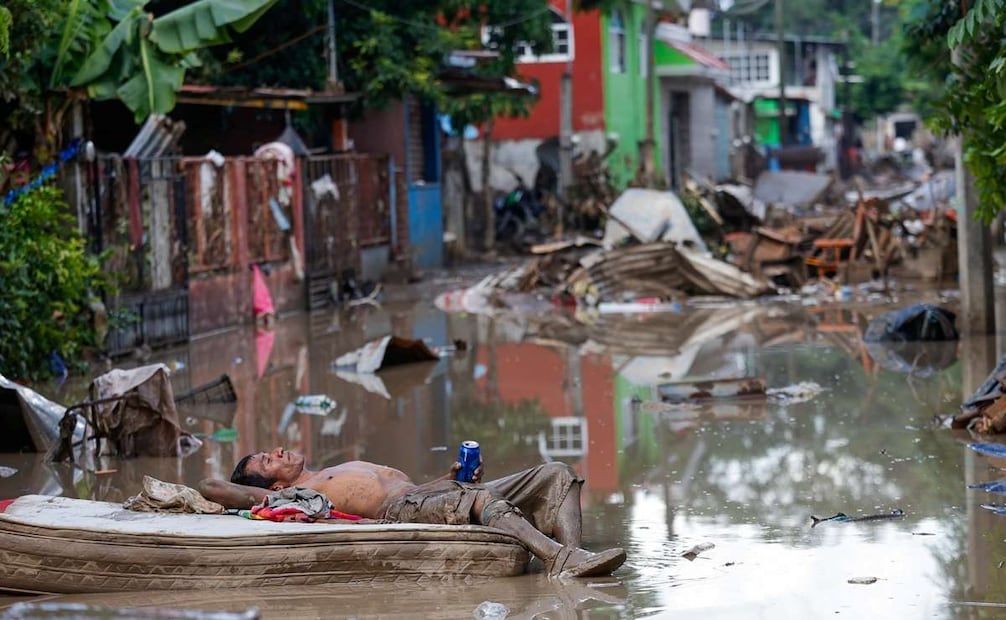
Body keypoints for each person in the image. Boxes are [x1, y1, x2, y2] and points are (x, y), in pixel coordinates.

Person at [198, 448, 626, 578]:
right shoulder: (300, 494)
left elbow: (419, 492)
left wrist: (452, 475)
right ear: (274, 486)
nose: (278, 451)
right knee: (477, 501)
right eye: (268, 461)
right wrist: (256, 491)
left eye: (270, 452)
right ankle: (558, 558)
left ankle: (572, 554)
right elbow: (211, 487)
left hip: (428, 495)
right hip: (398, 514)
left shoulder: (336, 467)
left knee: (558, 472)